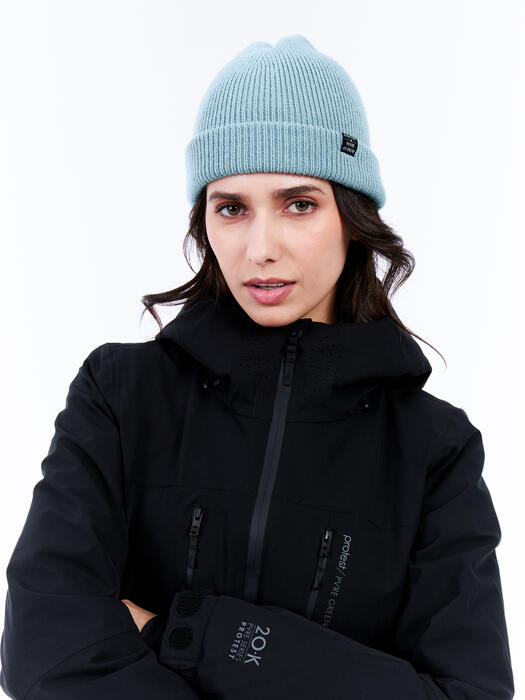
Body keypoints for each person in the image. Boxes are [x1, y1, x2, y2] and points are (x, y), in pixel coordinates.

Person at [0, 34, 514, 700]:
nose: (260, 248)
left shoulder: (432, 451)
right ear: (205, 221)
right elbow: (42, 654)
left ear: (352, 216)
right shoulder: (120, 396)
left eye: (299, 204)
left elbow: (469, 693)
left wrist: (193, 635)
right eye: (231, 208)